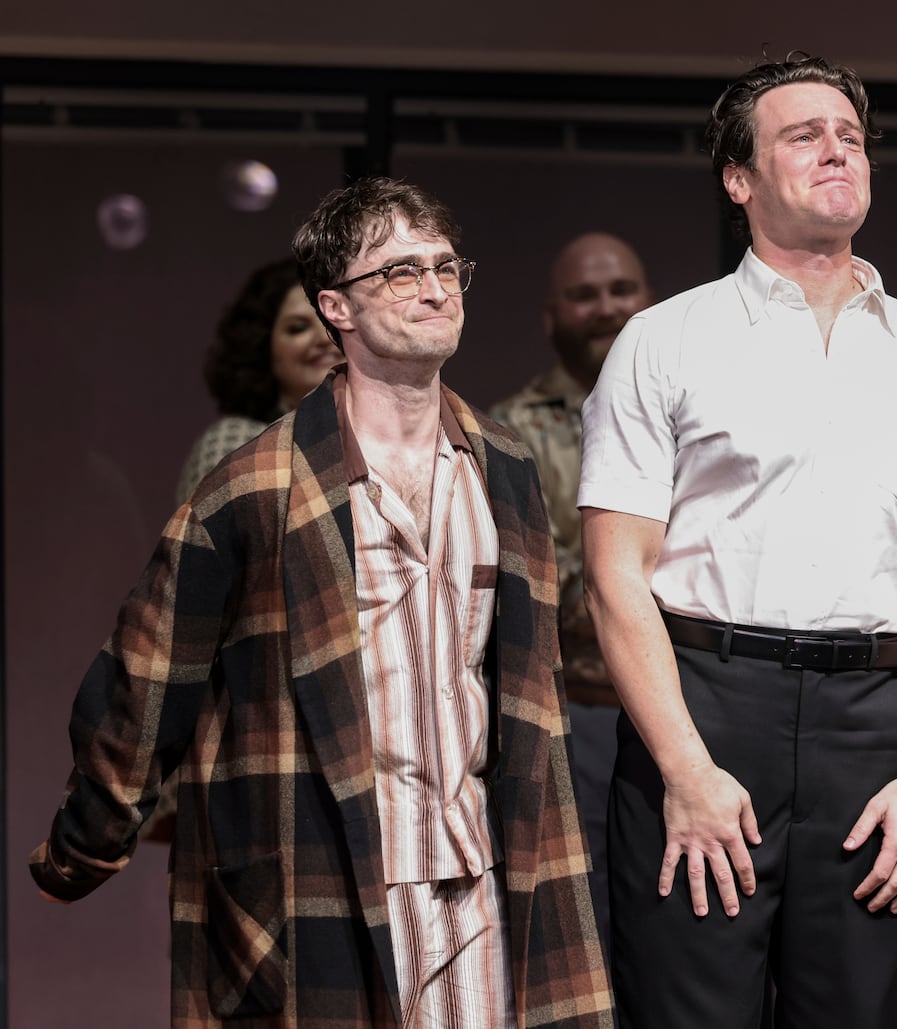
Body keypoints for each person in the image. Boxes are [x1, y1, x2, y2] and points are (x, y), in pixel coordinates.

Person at [30, 177, 612, 1029]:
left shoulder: (505, 469)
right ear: (335, 307)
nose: (434, 288)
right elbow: (151, 669)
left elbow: (526, 679)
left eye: (447, 267)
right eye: (401, 272)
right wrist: (84, 843)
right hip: (325, 871)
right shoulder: (254, 486)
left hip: (486, 867)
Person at [579, 54, 897, 1029]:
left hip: (872, 723)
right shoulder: (664, 338)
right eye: (803, 134)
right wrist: (684, 769)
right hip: (706, 707)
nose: (836, 150)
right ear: (740, 179)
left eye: (849, 136)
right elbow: (613, 576)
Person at [490, 231, 654, 954]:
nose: (606, 308)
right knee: (578, 931)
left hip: (696, 705)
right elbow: (531, 586)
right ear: (552, 314)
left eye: (621, 291)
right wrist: (641, 578)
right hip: (576, 713)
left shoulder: (691, 412)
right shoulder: (512, 429)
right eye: (585, 295)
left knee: (686, 935)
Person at [175, 257, 340, 502]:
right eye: (298, 328)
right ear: (262, 346)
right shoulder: (235, 445)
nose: (323, 339)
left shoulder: (384, 438)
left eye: (331, 321)